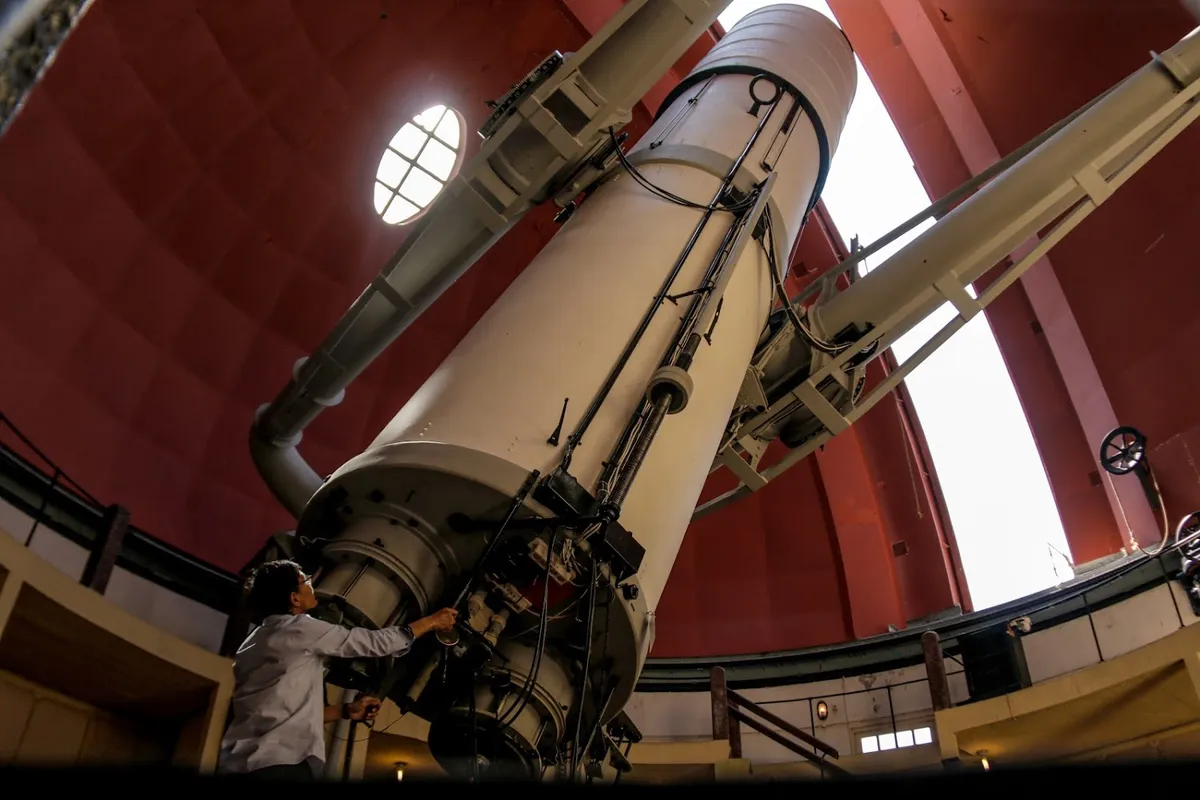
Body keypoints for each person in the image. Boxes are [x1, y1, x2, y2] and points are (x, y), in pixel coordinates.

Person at [218, 559, 458, 780]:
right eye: (305, 580)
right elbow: (375, 644)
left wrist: (345, 710)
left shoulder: (250, 644)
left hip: (237, 765)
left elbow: (280, 712)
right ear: (294, 598)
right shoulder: (301, 628)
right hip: (281, 765)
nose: (311, 584)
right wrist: (432, 622)